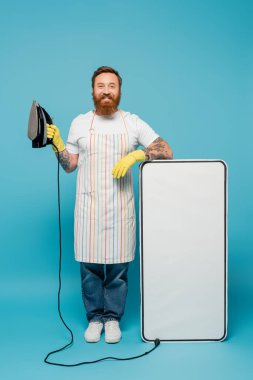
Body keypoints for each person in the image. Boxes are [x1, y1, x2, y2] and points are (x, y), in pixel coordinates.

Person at [47, 66, 173, 344]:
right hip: (88, 208)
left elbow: (166, 149)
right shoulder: (80, 122)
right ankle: (95, 318)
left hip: (120, 208)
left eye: (112, 86)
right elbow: (70, 166)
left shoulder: (132, 122)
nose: (106, 90)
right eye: (101, 85)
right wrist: (57, 146)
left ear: (119, 91)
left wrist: (139, 154)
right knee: (90, 268)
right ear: (92, 90)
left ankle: (113, 319)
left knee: (117, 272)